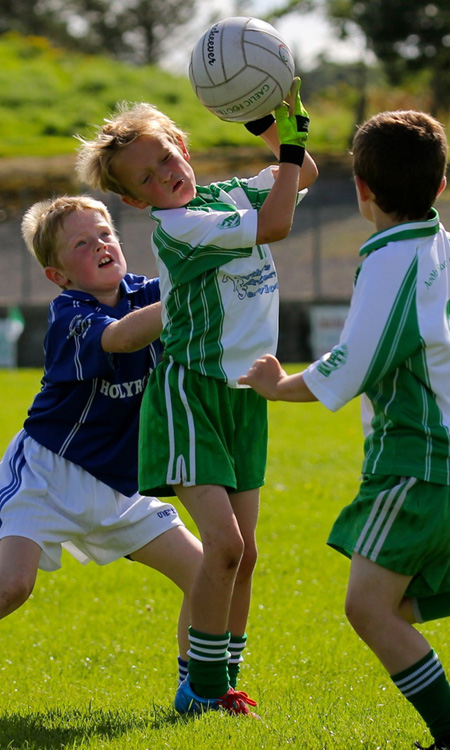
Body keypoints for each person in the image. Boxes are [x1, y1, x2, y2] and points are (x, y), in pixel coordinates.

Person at [75, 79, 318, 715]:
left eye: (167, 161)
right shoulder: (180, 228)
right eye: (147, 180)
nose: (165, 178)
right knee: (226, 547)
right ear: (134, 201)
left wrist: (271, 124)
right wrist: (287, 157)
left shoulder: (223, 195)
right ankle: (199, 688)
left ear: (184, 146)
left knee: (249, 553)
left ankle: (219, 679)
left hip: (243, 396)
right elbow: (280, 221)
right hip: (190, 397)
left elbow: (304, 173)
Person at [239, 109, 450, 749]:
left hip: (419, 464)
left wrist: (280, 385)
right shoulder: (439, 247)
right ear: (440, 187)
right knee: (398, 605)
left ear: (360, 188)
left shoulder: (393, 264)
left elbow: (351, 362)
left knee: (368, 608)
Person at [0, 195, 203, 687]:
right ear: (58, 275)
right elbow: (125, 338)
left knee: (207, 572)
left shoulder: (147, 292)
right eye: (82, 244)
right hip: (48, 473)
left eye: (106, 234)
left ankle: (198, 689)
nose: (101, 246)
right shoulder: (68, 313)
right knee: (11, 587)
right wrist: (192, 292)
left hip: (117, 485)